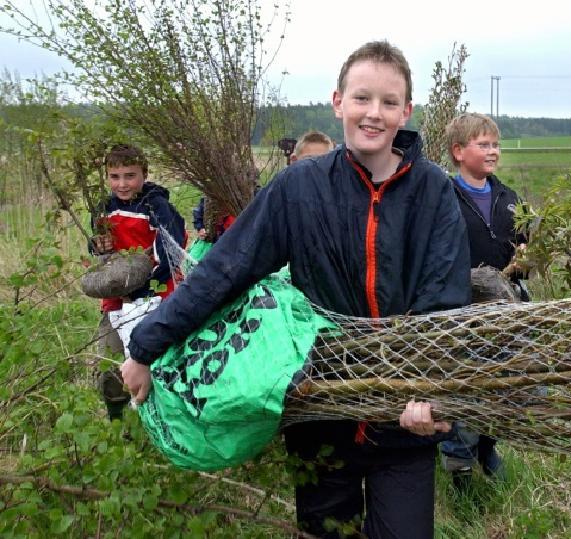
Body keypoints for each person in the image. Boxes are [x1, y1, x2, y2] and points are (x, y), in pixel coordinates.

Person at [123, 41, 471, 538]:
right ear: (338, 102)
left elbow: (444, 303)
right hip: (320, 409)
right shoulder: (299, 188)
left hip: (404, 421)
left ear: (406, 112)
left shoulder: (435, 190)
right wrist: (145, 346)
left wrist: (430, 397)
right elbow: (226, 271)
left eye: (389, 102)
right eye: (361, 98)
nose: (374, 114)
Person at [439, 113, 528, 488]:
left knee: (502, 381)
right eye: (483, 144)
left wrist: (526, 260)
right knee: (465, 382)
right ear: (458, 151)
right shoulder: (444, 198)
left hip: (506, 308)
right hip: (463, 310)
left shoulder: (510, 198)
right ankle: (458, 460)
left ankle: (488, 445)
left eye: (495, 145)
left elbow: (524, 252)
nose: (492, 151)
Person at [89, 143, 186, 420]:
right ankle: (119, 422)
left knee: (157, 361)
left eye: (130, 175)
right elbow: (98, 248)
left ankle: (165, 419)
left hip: (154, 297)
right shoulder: (103, 208)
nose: (122, 184)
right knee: (109, 362)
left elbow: (171, 251)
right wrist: (97, 245)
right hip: (116, 299)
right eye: (114, 177)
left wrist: (144, 286)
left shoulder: (157, 207)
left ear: (144, 174)